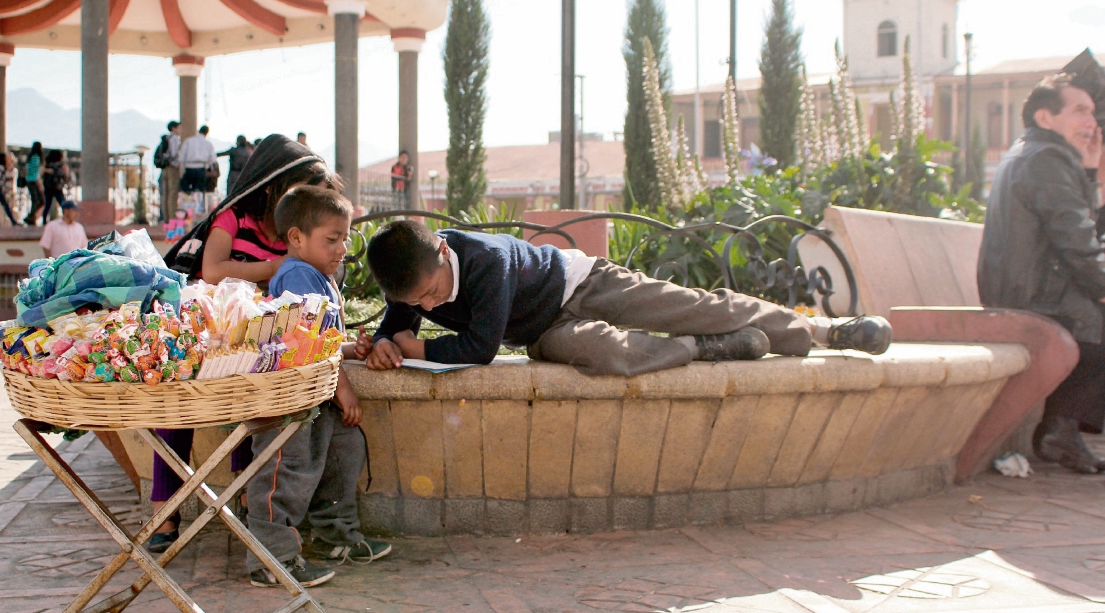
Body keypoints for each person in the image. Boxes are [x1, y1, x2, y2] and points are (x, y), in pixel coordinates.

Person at [364, 221, 892, 377]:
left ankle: (823, 332)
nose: (429, 308)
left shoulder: (486, 258)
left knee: (694, 303)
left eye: (433, 293)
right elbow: (399, 317)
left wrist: (422, 351)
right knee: (606, 355)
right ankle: (706, 348)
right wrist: (388, 338)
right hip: (544, 331)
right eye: (420, 303)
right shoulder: (414, 279)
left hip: (582, 283)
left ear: (441, 248)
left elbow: (480, 348)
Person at [149, 134, 343, 554]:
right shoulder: (234, 218)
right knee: (177, 414)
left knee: (254, 415)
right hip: (210, 333)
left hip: (260, 343)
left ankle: (244, 504)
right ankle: (165, 509)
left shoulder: (296, 232)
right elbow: (212, 269)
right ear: (276, 188)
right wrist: (280, 264)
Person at [240, 184, 387, 588]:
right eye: (332, 239)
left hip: (315, 396)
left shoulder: (314, 274)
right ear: (296, 238)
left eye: (346, 237)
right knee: (285, 470)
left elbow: (326, 337)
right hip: (289, 399)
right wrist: (345, 389)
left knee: (342, 452)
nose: (342, 248)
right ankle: (271, 560)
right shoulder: (298, 275)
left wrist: (351, 351)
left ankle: (334, 534)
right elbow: (308, 339)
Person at [978, 73, 1105, 473]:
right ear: (1046, 118)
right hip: (1030, 294)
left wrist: (1089, 173)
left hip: (1030, 286)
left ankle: (1063, 428)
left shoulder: (1044, 156)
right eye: (1080, 111)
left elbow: (1082, 232)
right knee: (1097, 325)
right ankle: (1059, 430)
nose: (1092, 122)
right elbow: (1078, 242)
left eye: (1093, 112)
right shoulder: (1045, 160)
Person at [178, 125, 217, 200]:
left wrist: (182, 170)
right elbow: (213, 159)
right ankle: (197, 207)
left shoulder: (188, 141)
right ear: (207, 133)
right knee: (200, 191)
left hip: (189, 167)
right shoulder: (208, 144)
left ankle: (187, 205)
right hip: (201, 168)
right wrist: (206, 166)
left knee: (185, 190)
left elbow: (182, 158)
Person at [156, 121, 182, 223]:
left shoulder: (166, 138)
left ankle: (165, 217)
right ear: (174, 128)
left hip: (164, 168)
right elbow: (175, 154)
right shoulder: (175, 139)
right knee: (173, 192)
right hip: (172, 167)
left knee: (164, 193)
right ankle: (172, 218)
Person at [41, 149, 68, 225]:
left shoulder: (47, 164)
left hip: (48, 187)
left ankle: (44, 221)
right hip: (57, 187)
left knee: (47, 205)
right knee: (63, 203)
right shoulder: (61, 165)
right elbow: (64, 175)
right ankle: (66, 218)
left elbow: (43, 175)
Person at [22, 141, 44, 225]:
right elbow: (35, 171)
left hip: (29, 180)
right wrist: (39, 182)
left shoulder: (30, 157)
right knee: (40, 200)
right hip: (34, 180)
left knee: (35, 200)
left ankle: (32, 217)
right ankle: (31, 216)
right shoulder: (36, 157)